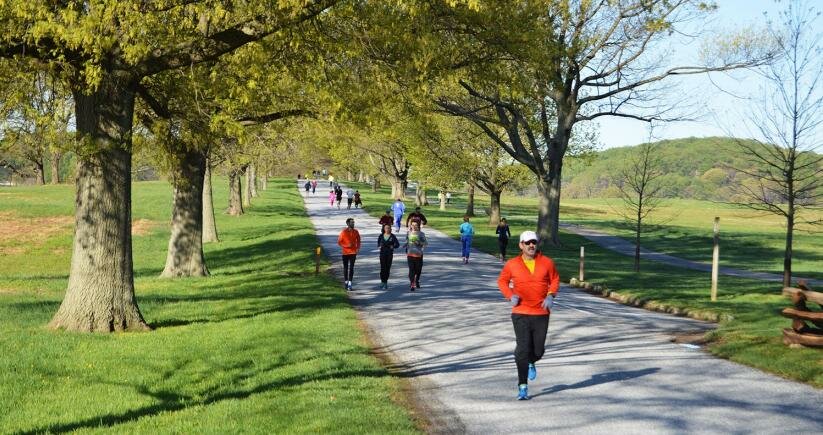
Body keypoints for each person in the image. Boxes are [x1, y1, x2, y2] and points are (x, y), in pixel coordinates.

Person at [497, 230, 560, 401]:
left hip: (541, 312)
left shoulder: (547, 262)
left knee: (538, 351)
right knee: (523, 349)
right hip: (520, 312)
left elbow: (554, 279)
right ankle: (522, 386)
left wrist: (550, 295)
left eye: (534, 242)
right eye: (528, 243)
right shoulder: (512, 264)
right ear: (521, 245)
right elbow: (502, 281)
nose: (531, 245)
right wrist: (510, 295)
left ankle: (531, 360)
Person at [337, 218, 361, 291]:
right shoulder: (344, 232)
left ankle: (350, 283)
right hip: (345, 253)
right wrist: (347, 245)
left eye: (353, 222)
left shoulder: (356, 231)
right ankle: (346, 282)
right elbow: (339, 242)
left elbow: (359, 240)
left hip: (353, 252)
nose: (353, 224)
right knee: (345, 268)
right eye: (351, 223)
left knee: (351, 268)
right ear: (347, 224)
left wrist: (358, 248)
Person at [404, 221, 427, 291]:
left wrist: (419, 242)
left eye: (415, 225)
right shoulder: (408, 233)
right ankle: (412, 284)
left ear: (418, 226)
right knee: (411, 270)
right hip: (410, 253)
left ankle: (417, 280)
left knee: (418, 270)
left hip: (418, 254)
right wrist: (405, 245)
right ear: (410, 226)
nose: (414, 226)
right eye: (412, 225)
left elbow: (425, 243)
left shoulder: (421, 234)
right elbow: (407, 242)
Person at [377, 224, 400, 289]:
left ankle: (385, 282)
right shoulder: (381, 236)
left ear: (390, 229)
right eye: (386, 228)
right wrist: (379, 246)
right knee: (382, 268)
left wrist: (393, 246)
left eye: (389, 228)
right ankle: (382, 281)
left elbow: (397, 244)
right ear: (384, 229)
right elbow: (378, 244)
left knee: (387, 268)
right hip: (382, 254)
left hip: (389, 254)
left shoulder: (392, 236)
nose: (387, 229)